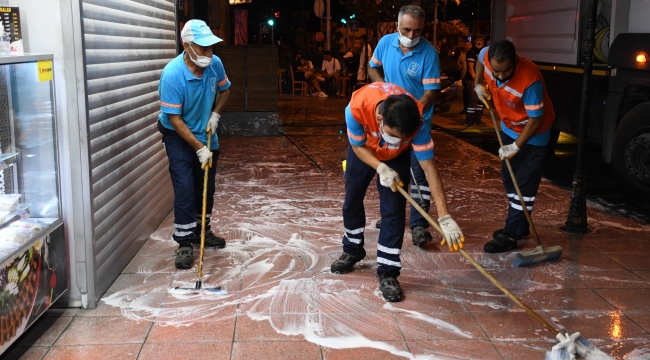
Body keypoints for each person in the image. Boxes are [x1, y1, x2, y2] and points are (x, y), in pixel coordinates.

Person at [331, 82, 464, 302]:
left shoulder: (416, 122)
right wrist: (380, 167)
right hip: (364, 150)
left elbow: (430, 170)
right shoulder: (356, 107)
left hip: (397, 159)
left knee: (393, 210)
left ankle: (388, 271)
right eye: (394, 136)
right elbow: (357, 145)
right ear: (380, 120)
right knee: (352, 199)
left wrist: (445, 217)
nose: (398, 142)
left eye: (404, 139)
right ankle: (353, 248)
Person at [157, 20, 232, 269]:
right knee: (186, 187)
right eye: (204, 48)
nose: (209, 53)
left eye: (211, 47)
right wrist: (199, 149)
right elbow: (174, 119)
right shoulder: (172, 75)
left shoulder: (215, 64)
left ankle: (203, 231)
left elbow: (225, 90)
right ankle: (185, 243)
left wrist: (216, 115)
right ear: (186, 45)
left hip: (206, 130)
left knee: (206, 187)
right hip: (178, 136)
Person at [367, 5, 441, 247]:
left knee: (419, 174)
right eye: (406, 29)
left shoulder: (428, 53)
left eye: (417, 31)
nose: (411, 36)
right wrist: (384, 89)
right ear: (397, 25)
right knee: (391, 170)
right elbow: (372, 67)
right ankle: (391, 214)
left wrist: (415, 112)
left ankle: (419, 224)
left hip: (417, 122)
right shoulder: (385, 42)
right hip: (392, 122)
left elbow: (431, 91)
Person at [473, 40, 556, 253]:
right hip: (509, 128)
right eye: (496, 71)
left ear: (515, 61)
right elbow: (480, 59)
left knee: (524, 188)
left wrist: (516, 146)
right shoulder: (487, 57)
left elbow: (535, 120)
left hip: (533, 137)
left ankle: (511, 234)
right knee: (510, 180)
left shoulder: (530, 81)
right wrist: (478, 83)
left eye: (506, 70)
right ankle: (520, 224)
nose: (500, 76)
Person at [465, 36, 485, 126]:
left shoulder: (482, 52)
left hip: (481, 80)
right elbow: (470, 69)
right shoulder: (472, 52)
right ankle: (469, 120)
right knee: (473, 100)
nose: (479, 42)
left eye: (481, 40)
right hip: (472, 80)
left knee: (481, 100)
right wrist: (477, 81)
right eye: (477, 40)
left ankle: (478, 119)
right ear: (474, 41)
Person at [459, 41, 472, 114]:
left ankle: (470, 109)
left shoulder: (473, 54)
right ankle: (465, 108)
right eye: (466, 45)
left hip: (471, 77)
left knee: (471, 94)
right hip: (464, 76)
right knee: (465, 93)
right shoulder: (462, 54)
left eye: (469, 45)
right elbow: (459, 63)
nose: (467, 47)